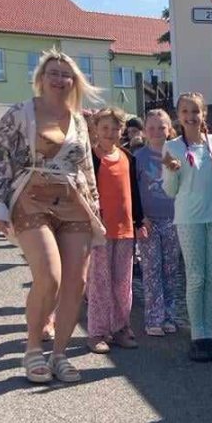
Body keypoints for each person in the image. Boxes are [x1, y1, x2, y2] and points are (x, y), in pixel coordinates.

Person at [0, 50, 105, 385]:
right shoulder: (19, 113)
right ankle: (32, 349)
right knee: (49, 275)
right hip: (31, 198)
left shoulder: (80, 120)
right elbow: (1, 158)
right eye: (53, 73)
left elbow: (86, 167)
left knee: (76, 282)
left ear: (74, 81)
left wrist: (95, 207)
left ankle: (59, 354)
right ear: (41, 78)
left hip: (73, 201)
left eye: (66, 74)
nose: (59, 79)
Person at [163, 90, 212, 362]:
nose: (190, 116)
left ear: (204, 114)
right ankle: (198, 335)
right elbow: (170, 191)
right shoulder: (172, 147)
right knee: (196, 277)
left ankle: (209, 334)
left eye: (195, 111)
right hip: (189, 219)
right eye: (185, 111)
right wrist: (171, 171)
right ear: (178, 116)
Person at [87, 107, 143, 353]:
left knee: (123, 282)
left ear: (122, 130)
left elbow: (134, 192)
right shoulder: (90, 158)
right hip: (99, 230)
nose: (110, 133)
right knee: (100, 282)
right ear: (95, 130)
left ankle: (121, 327)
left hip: (125, 229)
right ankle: (97, 331)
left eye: (115, 128)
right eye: (105, 128)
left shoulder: (127, 157)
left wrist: (139, 221)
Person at [135, 108, 181, 337]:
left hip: (174, 220)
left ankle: (169, 316)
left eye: (161, 127)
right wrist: (140, 218)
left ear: (169, 129)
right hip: (149, 221)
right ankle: (154, 318)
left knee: (170, 270)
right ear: (144, 131)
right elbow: (133, 190)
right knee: (151, 270)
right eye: (151, 128)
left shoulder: (177, 153)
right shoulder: (138, 157)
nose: (156, 132)